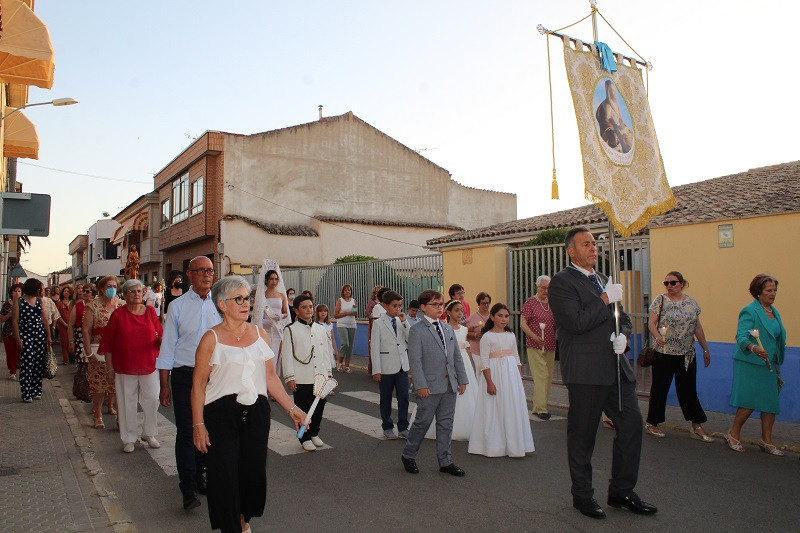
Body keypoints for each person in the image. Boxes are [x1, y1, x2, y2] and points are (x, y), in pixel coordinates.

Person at [548, 227, 656, 519]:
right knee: (583, 436)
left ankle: (621, 490)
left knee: (632, 427)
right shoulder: (562, 283)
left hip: (616, 370)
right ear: (571, 251)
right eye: (586, 244)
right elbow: (575, 322)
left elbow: (625, 321)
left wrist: (623, 337)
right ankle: (582, 496)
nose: (593, 248)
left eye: (594, 243)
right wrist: (605, 300)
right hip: (585, 372)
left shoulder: (605, 281)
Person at [191, 276, 307, 533]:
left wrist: (292, 409)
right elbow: (198, 384)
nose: (246, 304)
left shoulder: (259, 334)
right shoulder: (210, 339)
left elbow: (269, 377)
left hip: (256, 412)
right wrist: (198, 424)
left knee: (252, 473)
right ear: (222, 304)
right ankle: (231, 527)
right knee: (225, 476)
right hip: (220, 415)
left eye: (247, 298)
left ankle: (243, 519)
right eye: (239, 299)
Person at [156, 256, 222, 510]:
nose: (207, 275)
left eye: (210, 271)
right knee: (186, 431)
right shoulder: (178, 306)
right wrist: (165, 384)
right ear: (190, 275)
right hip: (185, 375)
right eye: (201, 271)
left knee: (208, 429)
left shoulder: (220, 305)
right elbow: (168, 347)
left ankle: (199, 475)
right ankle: (188, 488)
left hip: (214, 377)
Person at [401, 289, 468, 476]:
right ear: (423, 307)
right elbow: (415, 359)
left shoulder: (447, 328)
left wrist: (462, 379)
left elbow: (456, 357)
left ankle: (445, 461)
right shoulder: (417, 330)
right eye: (435, 304)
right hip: (429, 386)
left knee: (446, 423)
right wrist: (420, 384)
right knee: (422, 422)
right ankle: (408, 455)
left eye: (441, 304)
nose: (439, 308)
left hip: (449, 385)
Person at [645, 271, 713, 442]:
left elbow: (697, 327)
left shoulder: (691, 303)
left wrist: (705, 349)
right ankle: (652, 423)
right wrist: (657, 336)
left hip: (687, 355)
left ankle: (696, 425)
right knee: (660, 388)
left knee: (688, 389)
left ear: (682, 283)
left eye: (673, 283)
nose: (669, 286)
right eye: (666, 283)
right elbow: (651, 323)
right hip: (665, 353)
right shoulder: (660, 300)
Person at [725, 274, 787, 456]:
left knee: (770, 402)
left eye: (775, 290)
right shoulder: (750, 311)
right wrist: (753, 347)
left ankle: (766, 440)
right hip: (751, 363)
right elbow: (741, 336)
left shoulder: (774, 312)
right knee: (749, 400)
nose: (773, 294)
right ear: (758, 292)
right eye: (769, 290)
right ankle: (733, 434)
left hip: (770, 364)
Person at [98, 279, 163, 453]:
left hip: (149, 363)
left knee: (152, 398)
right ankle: (128, 437)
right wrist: (109, 369)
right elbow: (108, 345)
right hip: (124, 365)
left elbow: (160, 336)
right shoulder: (118, 315)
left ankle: (149, 433)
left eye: (139, 291)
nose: (137, 294)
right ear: (125, 295)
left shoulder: (150, 312)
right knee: (127, 402)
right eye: (132, 292)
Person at [469, 303, 534, 457]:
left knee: (511, 406)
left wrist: (519, 379)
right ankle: (495, 444)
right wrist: (489, 383)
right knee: (495, 407)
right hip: (495, 374)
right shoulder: (487, 337)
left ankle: (514, 443)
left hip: (510, 374)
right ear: (492, 317)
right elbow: (484, 361)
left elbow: (517, 358)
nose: (504, 319)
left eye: (506, 316)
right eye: (500, 316)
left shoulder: (511, 335)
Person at [282, 294, 332, 452]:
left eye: (310, 306)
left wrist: (328, 375)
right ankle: (304, 437)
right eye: (304, 307)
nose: (308, 310)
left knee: (319, 406)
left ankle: (315, 433)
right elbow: (287, 355)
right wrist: (290, 377)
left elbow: (325, 353)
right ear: (296, 311)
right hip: (301, 375)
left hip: (319, 375)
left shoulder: (321, 329)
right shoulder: (290, 330)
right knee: (303, 407)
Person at [83, 276, 122, 428]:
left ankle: (121, 417)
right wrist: (88, 353)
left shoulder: (122, 305)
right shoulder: (92, 306)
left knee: (118, 386)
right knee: (98, 385)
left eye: (114, 285)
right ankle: (97, 414)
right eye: (108, 286)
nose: (112, 288)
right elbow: (86, 331)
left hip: (119, 352)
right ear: (101, 288)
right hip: (98, 350)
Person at [370, 290, 410, 439]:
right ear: (385, 306)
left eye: (400, 306)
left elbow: (410, 339)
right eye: (394, 306)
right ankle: (387, 426)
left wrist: (405, 322)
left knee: (404, 397)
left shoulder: (402, 321)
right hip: (386, 366)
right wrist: (376, 370)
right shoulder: (379, 323)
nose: (398, 309)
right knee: (386, 397)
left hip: (401, 365)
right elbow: (375, 347)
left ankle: (403, 426)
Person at [520, 276, 557, 420]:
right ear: (537, 287)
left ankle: (538, 405)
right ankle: (541, 408)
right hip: (535, 345)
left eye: (548, 288)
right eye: (543, 287)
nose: (546, 291)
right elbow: (523, 323)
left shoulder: (553, 303)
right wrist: (534, 336)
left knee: (548, 376)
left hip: (550, 344)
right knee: (541, 375)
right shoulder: (530, 302)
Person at [442, 299, 479, 442]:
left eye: (461, 310)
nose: (460, 313)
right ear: (449, 312)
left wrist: (471, 365)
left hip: (463, 363)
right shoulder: (444, 328)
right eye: (456, 310)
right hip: (450, 363)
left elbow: (467, 350)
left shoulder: (464, 330)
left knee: (467, 393)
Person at [12, 279, 51, 403]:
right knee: (27, 362)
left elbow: (44, 318)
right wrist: (18, 339)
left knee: (38, 363)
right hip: (25, 334)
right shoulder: (19, 301)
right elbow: (15, 321)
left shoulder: (39, 301)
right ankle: (26, 392)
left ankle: (36, 390)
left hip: (39, 334)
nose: (41, 291)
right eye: (39, 288)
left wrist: (48, 335)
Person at [260, 269, 289, 376]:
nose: (274, 281)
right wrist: (263, 321)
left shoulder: (281, 295)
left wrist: (281, 316)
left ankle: (273, 381)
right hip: (265, 329)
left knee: (275, 355)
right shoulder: (262, 295)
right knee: (265, 357)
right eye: (271, 279)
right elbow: (257, 314)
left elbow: (286, 312)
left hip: (277, 329)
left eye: (276, 279)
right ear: (266, 280)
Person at [595, 79, 633, 154]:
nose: (613, 92)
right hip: (609, 128)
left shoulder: (614, 103)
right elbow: (607, 120)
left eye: (613, 90)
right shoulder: (607, 104)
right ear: (608, 91)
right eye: (611, 90)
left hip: (617, 125)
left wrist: (622, 124)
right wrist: (616, 126)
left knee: (628, 132)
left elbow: (619, 118)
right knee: (616, 135)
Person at [334, 284, 358, 373]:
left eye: (349, 290)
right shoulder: (340, 301)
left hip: (352, 324)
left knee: (350, 346)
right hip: (342, 324)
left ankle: (347, 366)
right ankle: (340, 363)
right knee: (345, 344)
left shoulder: (353, 300)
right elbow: (336, 315)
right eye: (346, 290)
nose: (348, 291)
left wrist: (355, 311)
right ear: (343, 292)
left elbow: (355, 314)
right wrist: (348, 313)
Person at [68, 284, 95, 363]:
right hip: (80, 337)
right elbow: (71, 325)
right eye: (83, 291)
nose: (84, 293)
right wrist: (71, 342)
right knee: (82, 364)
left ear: (92, 293)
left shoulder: (97, 305)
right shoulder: (77, 306)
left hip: (94, 338)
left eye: (87, 291)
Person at [465, 292, 491, 373]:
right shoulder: (473, 318)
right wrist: (476, 335)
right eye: (483, 303)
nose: (486, 305)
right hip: (477, 350)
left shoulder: (492, 316)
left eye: (487, 303)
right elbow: (466, 333)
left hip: (490, 350)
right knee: (479, 372)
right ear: (478, 304)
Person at [1, 283, 23, 380]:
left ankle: (22, 370)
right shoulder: (7, 304)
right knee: (10, 352)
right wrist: (9, 314)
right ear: (11, 292)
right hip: (8, 332)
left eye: (19, 291)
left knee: (21, 352)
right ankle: (12, 371)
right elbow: (1, 319)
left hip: (21, 332)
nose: (17, 293)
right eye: (15, 291)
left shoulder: (24, 304)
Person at [314, 304, 338, 371]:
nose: (323, 313)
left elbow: (332, 338)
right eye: (321, 311)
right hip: (319, 349)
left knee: (328, 368)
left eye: (325, 311)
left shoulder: (329, 325)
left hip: (328, 349)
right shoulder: (315, 325)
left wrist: (335, 351)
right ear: (317, 313)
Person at [55, 286, 73, 364]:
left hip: (72, 325)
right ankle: (66, 359)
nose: (66, 293)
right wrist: (64, 324)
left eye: (68, 291)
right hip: (63, 325)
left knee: (71, 341)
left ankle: (72, 358)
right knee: (64, 342)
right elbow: (57, 315)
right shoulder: (59, 303)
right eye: (64, 291)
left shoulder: (73, 302)